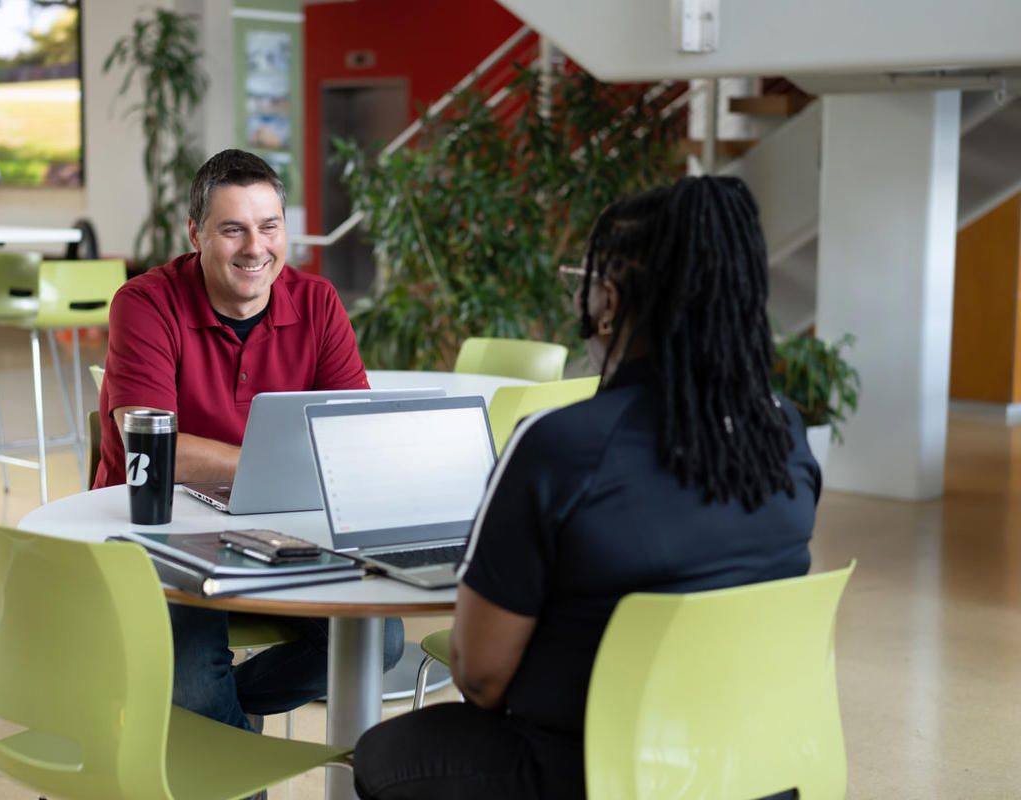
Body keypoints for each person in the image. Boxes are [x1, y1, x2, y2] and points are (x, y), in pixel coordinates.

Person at [352, 175, 821, 800]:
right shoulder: (784, 430)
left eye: (588, 277)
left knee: (389, 751)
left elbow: (483, 679)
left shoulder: (558, 445)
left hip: (592, 775)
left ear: (610, 301)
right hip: (749, 768)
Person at [97, 148, 404, 732]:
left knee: (379, 642)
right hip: (154, 531)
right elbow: (152, 453)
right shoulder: (143, 303)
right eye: (232, 229)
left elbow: (352, 440)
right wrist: (272, 465)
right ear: (196, 233)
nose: (255, 248)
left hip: (274, 526)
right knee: (191, 671)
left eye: (269, 227)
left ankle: (209, 716)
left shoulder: (317, 303)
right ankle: (207, 718)